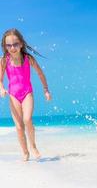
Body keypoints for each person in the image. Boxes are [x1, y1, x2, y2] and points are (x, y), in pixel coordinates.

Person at [0, 28, 51, 161]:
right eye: (8, 45)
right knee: (19, 126)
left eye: (15, 44)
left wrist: (46, 90)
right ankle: (25, 152)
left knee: (27, 119)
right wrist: (1, 89)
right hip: (13, 95)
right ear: (5, 46)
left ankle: (33, 146)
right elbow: (0, 79)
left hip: (27, 93)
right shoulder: (4, 60)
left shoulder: (28, 59)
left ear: (21, 44)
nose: (12, 48)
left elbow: (40, 74)